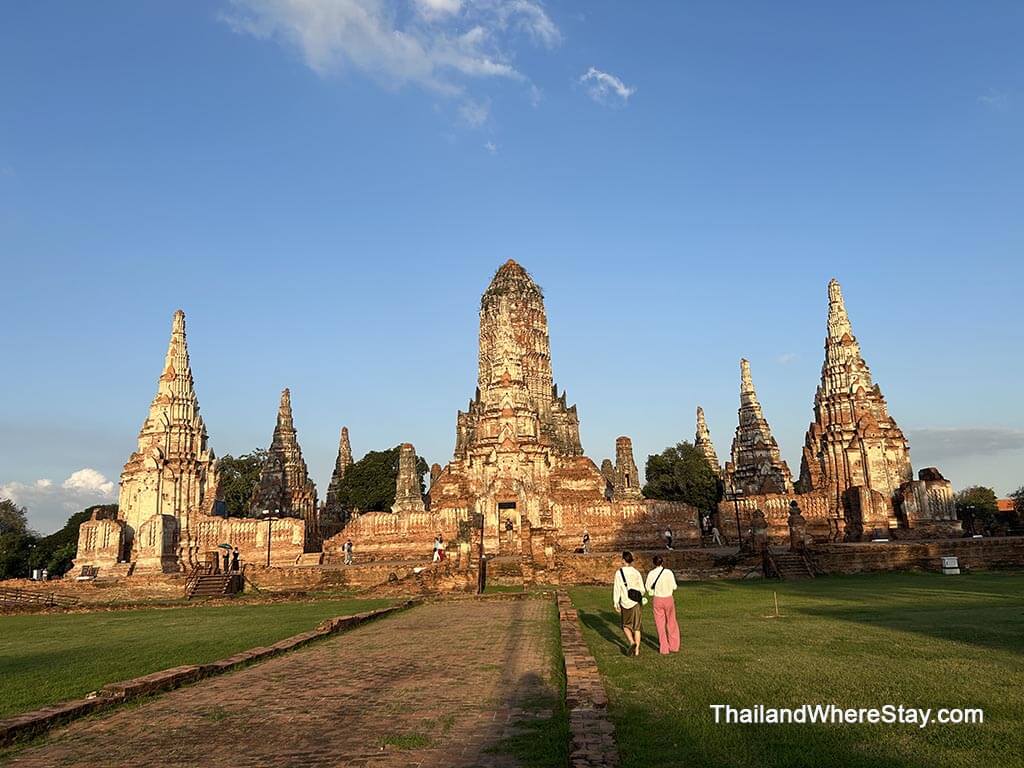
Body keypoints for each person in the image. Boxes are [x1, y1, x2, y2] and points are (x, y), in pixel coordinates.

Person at [612, 551, 646, 657]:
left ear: (623, 560)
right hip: (635, 602)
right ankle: (637, 651)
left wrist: (616, 602)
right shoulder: (636, 572)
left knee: (625, 626)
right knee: (637, 627)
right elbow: (642, 589)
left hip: (625, 602)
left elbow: (617, 588)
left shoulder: (619, 573)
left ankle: (631, 642)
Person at [646, 555, 680, 654]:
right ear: (662, 562)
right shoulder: (668, 572)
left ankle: (664, 648)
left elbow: (648, 587)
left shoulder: (651, 573)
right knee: (671, 622)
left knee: (660, 624)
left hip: (658, 599)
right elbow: (674, 586)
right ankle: (674, 646)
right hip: (668, 598)